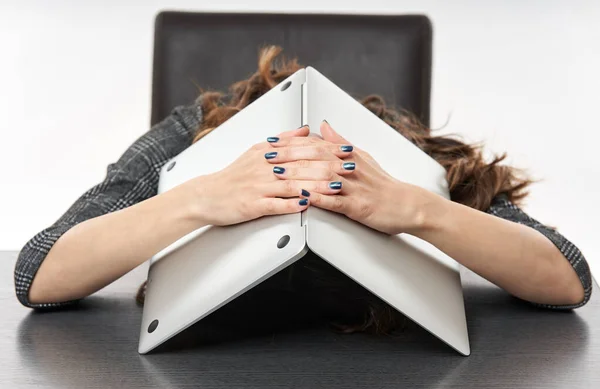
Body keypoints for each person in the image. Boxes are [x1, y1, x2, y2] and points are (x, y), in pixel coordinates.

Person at [14, 46, 592, 334]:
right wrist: (200, 197)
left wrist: (415, 208)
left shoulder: (416, 161)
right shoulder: (190, 132)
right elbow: (36, 274)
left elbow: (566, 279)